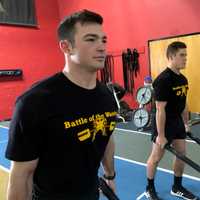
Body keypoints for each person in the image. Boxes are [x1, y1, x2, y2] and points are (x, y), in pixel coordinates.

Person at [5, 10, 118, 200]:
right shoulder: (34, 102)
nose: (101, 47)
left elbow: (106, 137)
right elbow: (21, 176)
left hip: (91, 194)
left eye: (103, 40)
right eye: (91, 39)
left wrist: (110, 175)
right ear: (66, 47)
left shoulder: (106, 97)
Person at [146, 41, 198, 200]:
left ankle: (176, 186)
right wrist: (161, 135)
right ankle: (149, 188)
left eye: (186, 55)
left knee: (181, 153)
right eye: (182, 55)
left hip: (177, 123)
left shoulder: (183, 79)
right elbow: (160, 110)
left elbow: (184, 104)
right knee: (155, 157)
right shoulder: (163, 80)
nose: (185, 59)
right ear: (171, 56)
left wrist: (186, 124)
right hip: (164, 123)